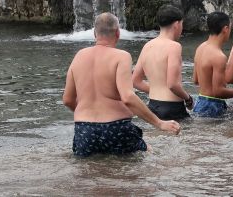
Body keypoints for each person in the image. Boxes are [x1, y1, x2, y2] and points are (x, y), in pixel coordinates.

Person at [62, 12, 180, 158]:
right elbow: (128, 97)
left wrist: (88, 117)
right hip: (116, 128)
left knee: (90, 175)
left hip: (84, 130)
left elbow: (67, 99)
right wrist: (159, 123)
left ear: (94, 33)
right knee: (147, 157)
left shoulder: (79, 56)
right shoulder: (121, 56)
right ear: (118, 33)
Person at [132, 4, 193, 120]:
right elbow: (172, 84)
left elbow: (135, 81)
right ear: (176, 24)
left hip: (152, 106)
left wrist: (156, 89)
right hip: (172, 108)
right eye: (182, 24)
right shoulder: (174, 47)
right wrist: (188, 98)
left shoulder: (147, 46)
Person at [192, 11, 233, 117]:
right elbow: (218, 92)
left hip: (200, 102)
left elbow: (195, 80)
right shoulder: (219, 56)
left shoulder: (200, 48)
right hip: (213, 106)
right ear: (225, 29)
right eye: (230, 28)